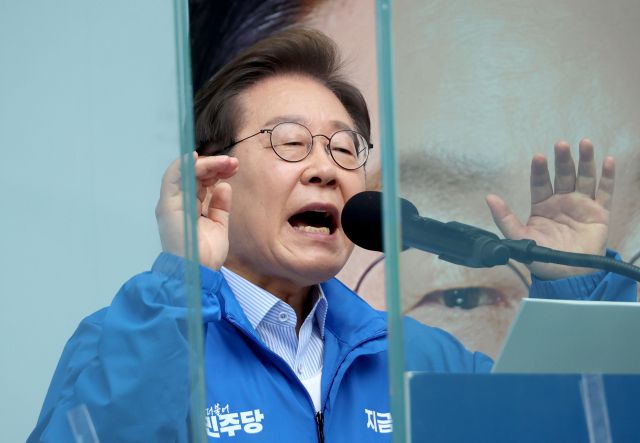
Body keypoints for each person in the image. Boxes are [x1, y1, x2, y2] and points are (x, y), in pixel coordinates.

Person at [29, 29, 636, 442]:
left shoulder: (421, 357)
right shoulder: (131, 339)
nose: (325, 168)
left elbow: (565, 427)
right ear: (214, 180)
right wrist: (181, 286)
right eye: (290, 142)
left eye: (345, 149)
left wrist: (571, 283)